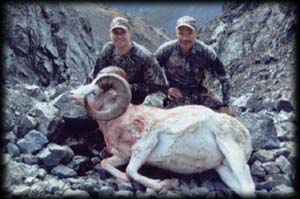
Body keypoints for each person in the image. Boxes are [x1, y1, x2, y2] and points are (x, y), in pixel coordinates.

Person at [154, 16, 235, 117]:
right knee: (171, 120)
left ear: (196, 33)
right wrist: (166, 89)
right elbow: (151, 72)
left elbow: (224, 78)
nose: (185, 38)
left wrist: (226, 104)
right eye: (181, 33)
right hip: (176, 95)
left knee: (227, 114)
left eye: (189, 33)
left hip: (200, 93)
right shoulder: (165, 50)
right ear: (176, 33)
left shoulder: (207, 52)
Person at [86, 16, 168, 104]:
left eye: (123, 33)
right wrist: (85, 92)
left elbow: (159, 88)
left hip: (140, 99)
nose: (119, 36)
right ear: (110, 34)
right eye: (115, 33)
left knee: (151, 103)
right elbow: (95, 75)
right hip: (114, 95)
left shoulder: (144, 56)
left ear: (130, 33)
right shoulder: (108, 49)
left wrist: (131, 87)